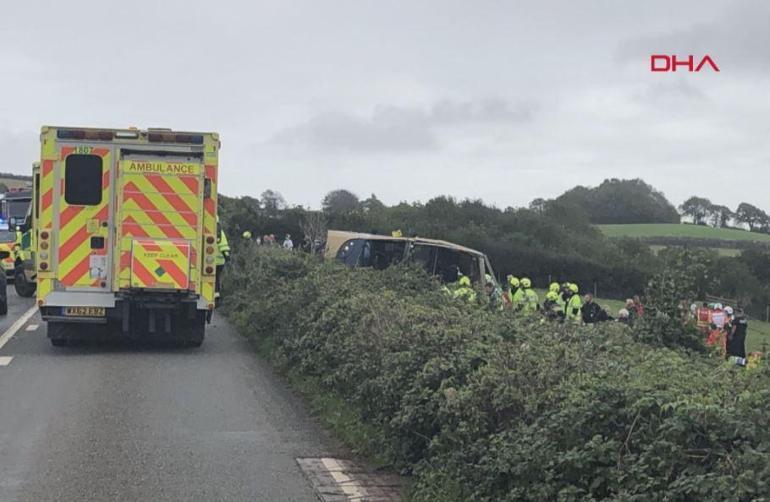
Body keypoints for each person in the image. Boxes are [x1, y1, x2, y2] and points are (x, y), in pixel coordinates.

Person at [215, 219, 231, 300]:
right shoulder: (219, 232)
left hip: (212, 262)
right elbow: (224, 246)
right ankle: (216, 297)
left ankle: (216, 296)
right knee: (216, 278)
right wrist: (227, 257)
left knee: (214, 278)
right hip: (219, 262)